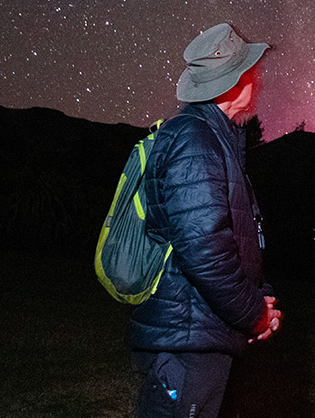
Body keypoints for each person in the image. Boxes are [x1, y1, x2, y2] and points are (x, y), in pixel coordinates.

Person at [128, 23, 283, 418]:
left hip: (201, 332)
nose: (258, 80)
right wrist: (254, 313)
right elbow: (205, 252)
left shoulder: (215, 138)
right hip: (187, 341)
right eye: (252, 72)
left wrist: (259, 296)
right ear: (235, 84)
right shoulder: (195, 141)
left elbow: (233, 237)